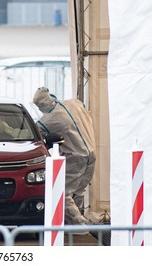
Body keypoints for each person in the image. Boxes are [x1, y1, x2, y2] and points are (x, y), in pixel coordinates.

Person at [33, 87, 96, 226]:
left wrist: (5, 128)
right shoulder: (74, 103)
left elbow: (35, 134)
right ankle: (72, 220)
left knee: (63, 191)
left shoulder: (50, 119)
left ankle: (79, 224)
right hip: (91, 153)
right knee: (78, 191)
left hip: (76, 157)